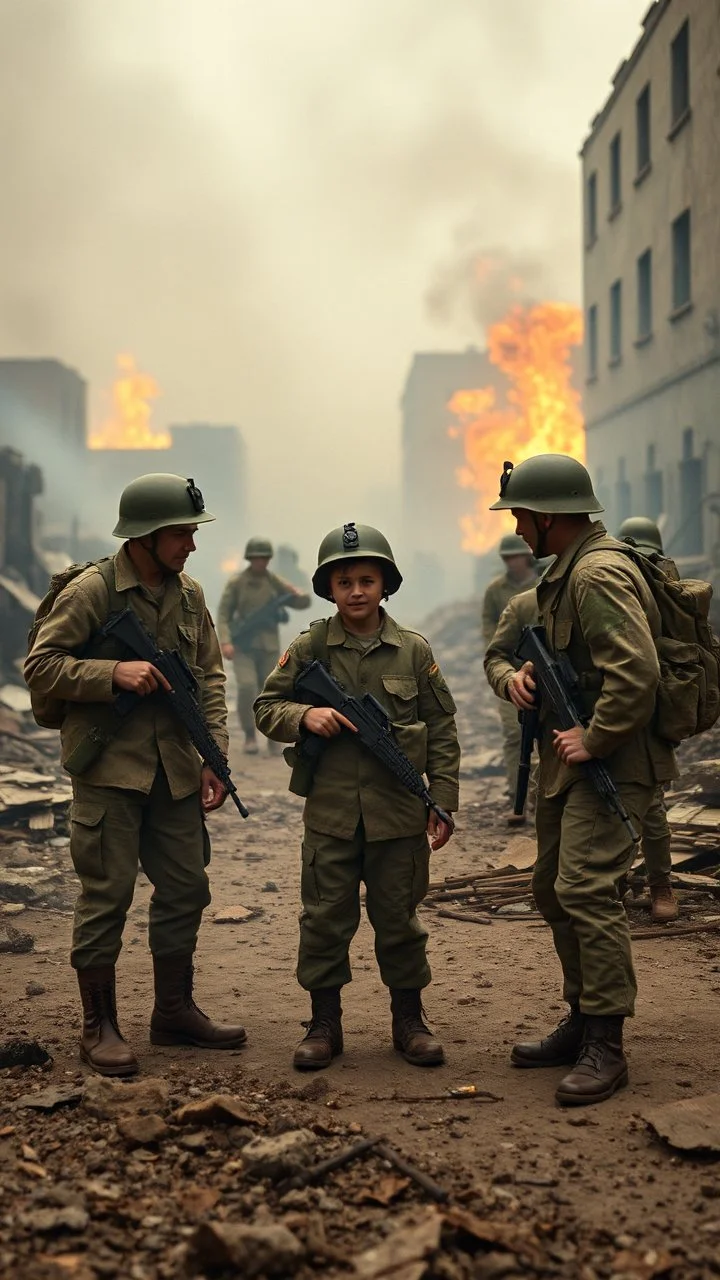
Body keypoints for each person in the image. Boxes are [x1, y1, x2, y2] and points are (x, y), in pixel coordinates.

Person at [24, 474, 247, 1077]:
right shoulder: (93, 592)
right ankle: (98, 1027)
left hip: (174, 771)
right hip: (108, 769)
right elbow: (41, 666)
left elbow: (211, 678)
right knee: (107, 896)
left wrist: (214, 756)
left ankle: (172, 1012)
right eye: (181, 533)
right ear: (146, 536)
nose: (191, 545)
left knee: (186, 890)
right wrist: (111, 674)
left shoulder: (191, 596)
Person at [486, 455, 676, 1106]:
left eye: (519, 516)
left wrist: (593, 738)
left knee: (587, 889)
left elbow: (637, 675)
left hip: (615, 761)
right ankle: (582, 1016)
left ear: (545, 517)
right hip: (575, 761)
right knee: (551, 886)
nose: (515, 527)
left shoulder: (596, 575)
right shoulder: (565, 575)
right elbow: (508, 653)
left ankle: (607, 1043)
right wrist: (516, 681)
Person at [254, 522, 460, 1071]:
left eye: (367, 579)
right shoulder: (310, 646)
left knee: (400, 920)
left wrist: (442, 801)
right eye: (344, 581)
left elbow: (441, 729)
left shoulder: (413, 651)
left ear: (385, 584)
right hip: (332, 816)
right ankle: (324, 1025)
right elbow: (266, 708)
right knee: (324, 920)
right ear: (329, 588)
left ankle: (409, 1022)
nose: (357, 591)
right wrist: (305, 715)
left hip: (398, 816)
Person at [617, 516, 679, 924]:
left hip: (653, 710)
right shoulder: (612, 582)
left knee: (652, 806)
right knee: (609, 801)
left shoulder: (668, 593)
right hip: (614, 705)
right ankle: (615, 885)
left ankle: (661, 885)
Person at [217, 537, 310, 754]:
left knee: (272, 693)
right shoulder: (237, 583)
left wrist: (297, 593)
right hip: (243, 646)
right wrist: (226, 640)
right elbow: (223, 613)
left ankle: (273, 737)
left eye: (264, 558)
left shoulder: (275, 581)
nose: (261, 562)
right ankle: (250, 735)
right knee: (248, 688)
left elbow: (302, 603)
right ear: (250, 558)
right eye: (256, 558)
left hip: (268, 646)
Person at [482, 534, 538, 818]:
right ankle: (519, 797)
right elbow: (489, 632)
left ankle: (543, 797)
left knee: (547, 737)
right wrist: (503, 670)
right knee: (513, 735)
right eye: (506, 557)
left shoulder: (544, 585)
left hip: (543, 673)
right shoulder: (496, 591)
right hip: (509, 673)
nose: (511, 562)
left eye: (515, 556)